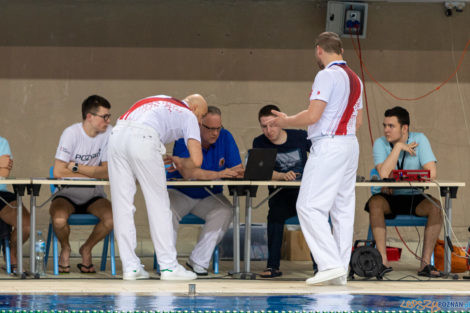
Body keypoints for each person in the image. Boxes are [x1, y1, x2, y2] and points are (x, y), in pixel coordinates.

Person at [267, 32, 363, 285]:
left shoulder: (326, 75)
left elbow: (312, 116)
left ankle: (329, 264)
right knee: (342, 210)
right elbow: (359, 120)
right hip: (350, 144)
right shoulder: (356, 79)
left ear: (319, 50)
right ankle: (340, 271)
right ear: (340, 51)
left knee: (308, 206)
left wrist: (286, 121)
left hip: (329, 144)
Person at [108, 94, 207, 281]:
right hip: (144, 137)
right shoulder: (188, 115)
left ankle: (130, 267)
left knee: (122, 205)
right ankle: (169, 267)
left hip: (116, 135)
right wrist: (180, 161)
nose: (200, 123)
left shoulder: (160, 99)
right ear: (194, 109)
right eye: (202, 116)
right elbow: (197, 160)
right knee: (159, 205)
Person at [365, 106, 442, 278]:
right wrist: (398, 147)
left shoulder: (420, 139)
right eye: (385, 125)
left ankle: (424, 265)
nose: (386, 130)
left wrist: (397, 178)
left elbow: (432, 173)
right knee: (375, 203)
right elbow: (384, 173)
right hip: (389, 198)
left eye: (391, 126)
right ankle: (383, 262)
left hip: (414, 196)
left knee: (436, 207)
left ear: (404, 128)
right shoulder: (380, 143)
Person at [167, 105, 243, 275]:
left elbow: (237, 168)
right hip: (180, 193)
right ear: (199, 124)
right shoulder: (184, 138)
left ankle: (198, 261)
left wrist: (237, 172)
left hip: (210, 194)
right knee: (167, 211)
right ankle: (167, 263)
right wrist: (219, 173)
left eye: (218, 128)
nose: (215, 133)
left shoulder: (226, 136)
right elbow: (190, 173)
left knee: (225, 210)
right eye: (210, 128)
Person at [51, 95, 114, 274]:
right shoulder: (71, 133)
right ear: (89, 117)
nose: (108, 121)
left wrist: (76, 167)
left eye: (109, 116)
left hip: (94, 194)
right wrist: (93, 172)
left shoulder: (110, 133)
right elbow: (58, 171)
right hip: (67, 193)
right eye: (105, 116)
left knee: (112, 219)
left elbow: (107, 172)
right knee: (59, 219)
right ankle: (65, 248)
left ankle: (86, 249)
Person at [252, 104, 312, 278]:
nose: (269, 130)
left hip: (305, 193)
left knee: (314, 217)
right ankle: (272, 266)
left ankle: (321, 266)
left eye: (273, 125)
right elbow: (260, 171)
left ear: (282, 123)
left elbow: (321, 156)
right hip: (280, 195)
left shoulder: (300, 137)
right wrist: (280, 176)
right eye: (264, 126)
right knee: (275, 216)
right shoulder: (260, 142)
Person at [0, 137, 30, 273]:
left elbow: (3, 173)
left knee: (27, 224)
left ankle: (12, 253)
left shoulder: (2, 142)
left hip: (1, 193)